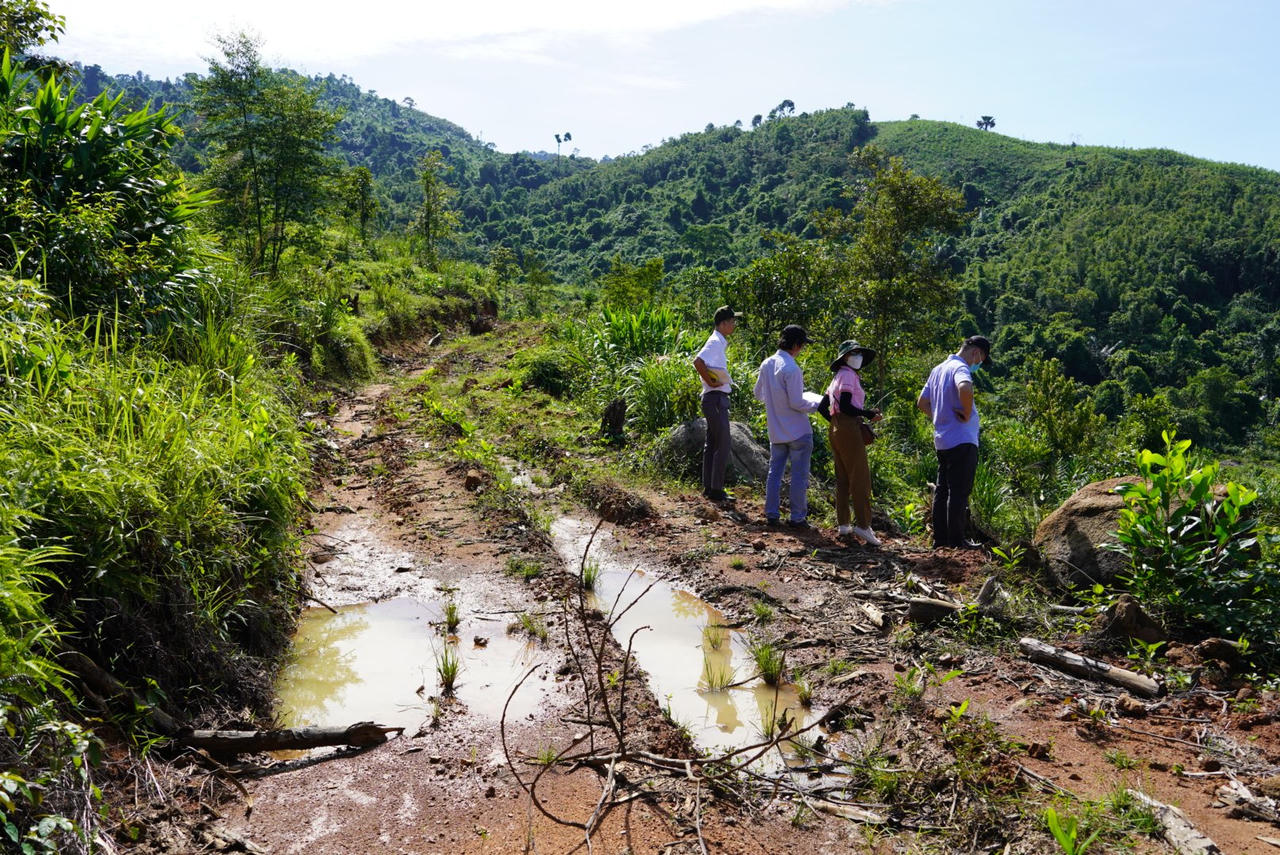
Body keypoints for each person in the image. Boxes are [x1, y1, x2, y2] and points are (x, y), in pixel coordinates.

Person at [916, 335, 992, 548]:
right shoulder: (960, 368)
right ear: (976, 352)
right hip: (962, 439)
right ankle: (957, 542)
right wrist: (966, 414)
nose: (978, 364)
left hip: (943, 439)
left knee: (942, 490)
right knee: (959, 491)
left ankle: (941, 540)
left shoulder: (938, 369)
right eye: (981, 360)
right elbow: (965, 388)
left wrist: (939, 418)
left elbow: (922, 402)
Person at [753, 324, 823, 527]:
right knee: (799, 476)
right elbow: (796, 403)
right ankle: (797, 517)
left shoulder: (767, 363)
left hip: (776, 430)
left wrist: (776, 401)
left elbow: (758, 394)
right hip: (798, 431)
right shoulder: (792, 368)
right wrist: (817, 404)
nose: (801, 349)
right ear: (795, 345)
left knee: (774, 472)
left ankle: (772, 514)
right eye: (801, 345)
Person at [819, 340, 882, 546]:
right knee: (860, 477)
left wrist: (837, 423)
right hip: (848, 427)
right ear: (845, 357)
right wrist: (866, 414)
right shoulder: (848, 376)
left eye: (859, 353)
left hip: (836, 429)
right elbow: (846, 404)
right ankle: (863, 526)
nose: (858, 356)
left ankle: (844, 524)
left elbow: (822, 407)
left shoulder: (837, 377)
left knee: (843, 478)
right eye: (854, 353)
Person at [692, 306, 740, 502]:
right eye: (732, 321)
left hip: (714, 399)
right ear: (723, 323)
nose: (734, 325)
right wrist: (711, 381)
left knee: (712, 443)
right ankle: (717, 490)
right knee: (723, 442)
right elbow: (698, 362)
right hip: (715, 398)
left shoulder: (718, 341)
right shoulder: (715, 341)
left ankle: (710, 488)